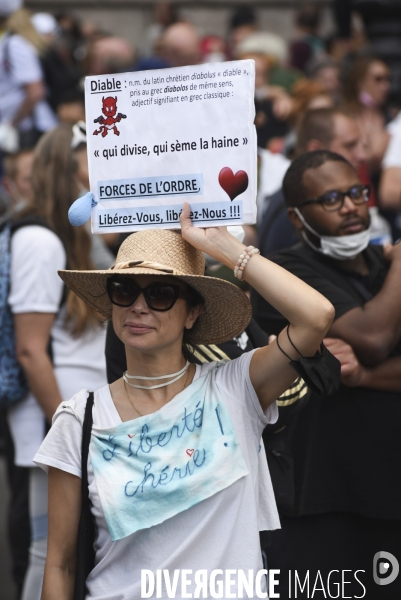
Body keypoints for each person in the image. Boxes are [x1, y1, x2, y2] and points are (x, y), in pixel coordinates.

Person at [34, 208, 334, 598]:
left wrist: (227, 249)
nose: (138, 306)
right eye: (124, 289)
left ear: (193, 312)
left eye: (160, 293)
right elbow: (61, 563)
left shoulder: (235, 388)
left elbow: (316, 316)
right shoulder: (80, 418)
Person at [254, 149, 401, 598]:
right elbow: (373, 338)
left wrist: (365, 377)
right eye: (332, 199)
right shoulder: (286, 271)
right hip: (319, 500)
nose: (352, 206)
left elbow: (365, 359)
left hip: (389, 495)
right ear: (298, 219)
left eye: (357, 192)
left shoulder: (384, 267)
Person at [7, 123, 108, 600]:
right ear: (65, 168)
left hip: (77, 412)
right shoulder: (39, 239)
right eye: (92, 157)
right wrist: (70, 430)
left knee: (72, 550)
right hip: (56, 416)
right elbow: (31, 348)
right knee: (50, 552)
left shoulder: (72, 232)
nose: (102, 166)